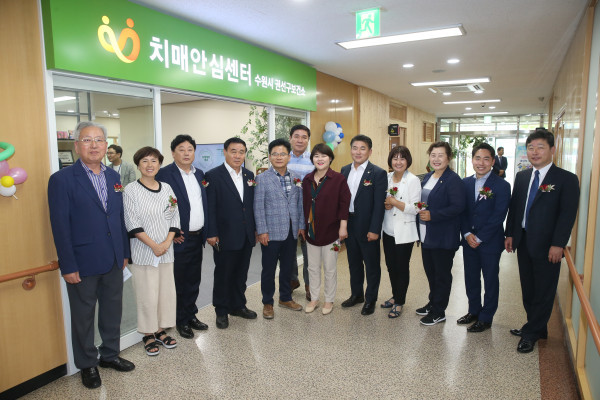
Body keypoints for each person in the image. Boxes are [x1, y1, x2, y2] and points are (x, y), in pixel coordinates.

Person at [48, 121, 134, 389]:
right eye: (87, 140)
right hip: (82, 261)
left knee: (112, 310)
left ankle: (110, 355)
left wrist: (124, 252)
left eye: (99, 140)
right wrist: (67, 265)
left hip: (114, 258)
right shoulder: (61, 180)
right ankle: (87, 364)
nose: (94, 145)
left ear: (106, 146)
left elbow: (119, 218)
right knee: (83, 316)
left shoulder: (113, 178)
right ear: (76, 146)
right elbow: (60, 226)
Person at [505, 128, 579, 353]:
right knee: (528, 288)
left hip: (548, 245)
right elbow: (515, 208)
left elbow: (567, 215)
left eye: (540, 147)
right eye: (531, 148)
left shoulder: (566, 179)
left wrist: (558, 243)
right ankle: (537, 327)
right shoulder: (522, 176)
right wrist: (510, 233)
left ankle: (530, 333)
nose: (534, 152)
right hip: (523, 240)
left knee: (544, 290)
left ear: (552, 150)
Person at [124, 147, 180, 356]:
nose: (150, 165)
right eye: (145, 161)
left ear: (159, 164)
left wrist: (166, 242)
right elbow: (132, 222)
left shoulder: (167, 188)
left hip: (166, 251)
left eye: (154, 161)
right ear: (138, 165)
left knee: (166, 293)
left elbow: (175, 216)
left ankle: (160, 329)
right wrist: (154, 245)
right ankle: (148, 333)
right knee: (146, 294)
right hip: (144, 252)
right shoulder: (131, 190)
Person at [156, 135, 209, 339]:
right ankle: (180, 320)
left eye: (190, 149)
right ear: (173, 153)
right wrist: (172, 231)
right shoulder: (164, 174)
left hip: (197, 237)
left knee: (194, 279)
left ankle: (191, 315)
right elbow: (159, 206)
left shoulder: (199, 174)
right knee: (178, 281)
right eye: (181, 149)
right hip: (178, 238)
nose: (186, 153)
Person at [458, 143, 510, 332]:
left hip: (490, 242)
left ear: (493, 161)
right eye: (477, 158)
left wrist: (479, 237)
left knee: (490, 280)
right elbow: (461, 211)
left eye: (486, 159)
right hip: (468, 240)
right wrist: (466, 233)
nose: (481, 163)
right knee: (471, 277)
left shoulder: (502, 185)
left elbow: (499, 215)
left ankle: (486, 317)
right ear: (472, 160)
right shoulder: (464, 183)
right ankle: (473, 310)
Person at [206, 137, 257, 329]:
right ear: (225, 152)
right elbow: (210, 207)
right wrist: (212, 232)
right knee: (224, 274)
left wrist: (254, 229)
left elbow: (250, 206)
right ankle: (221, 310)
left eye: (241, 152)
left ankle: (238, 305)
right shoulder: (213, 175)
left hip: (246, 234)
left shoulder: (249, 175)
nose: (237, 155)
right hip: (224, 235)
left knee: (241, 273)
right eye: (233, 151)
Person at [254, 139, 305, 318]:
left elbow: (299, 204)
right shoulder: (261, 179)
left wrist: (301, 225)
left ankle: (285, 297)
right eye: (275, 154)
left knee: (287, 268)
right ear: (269, 157)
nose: (279, 157)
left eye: (283, 154)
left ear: (289, 157)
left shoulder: (296, 177)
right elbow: (258, 207)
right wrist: (262, 230)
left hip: (291, 231)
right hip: (271, 232)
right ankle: (267, 303)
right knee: (268, 270)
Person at [416, 141, 466, 326]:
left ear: (448, 158)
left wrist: (434, 215)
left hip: (443, 236)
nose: (436, 159)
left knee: (442, 275)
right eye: (433, 155)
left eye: (440, 155)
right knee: (431, 273)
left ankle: (439, 311)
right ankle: (433, 302)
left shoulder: (453, 180)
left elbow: (458, 206)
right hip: (426, 234)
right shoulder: (429, 176)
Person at [340, 135, 387, 315]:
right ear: (351, 150)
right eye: (355, 148)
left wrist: (375, 229)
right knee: (353, 263)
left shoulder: (378, 173)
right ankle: (356, 295)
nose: (358, 152)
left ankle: (370, 299)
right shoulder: (344, 170)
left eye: (362, 148)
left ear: (370, 151)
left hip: (368, 227)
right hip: (349, 223)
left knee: (371, 265)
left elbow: (379, 205)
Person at [302, 143, 350, 314]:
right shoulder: (307, 179)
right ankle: (314, 298)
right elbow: (304, 205)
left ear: (330, 158)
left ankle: (329, 300)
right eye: (316, 156)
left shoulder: (338, 179)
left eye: (323, 156)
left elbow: (344, 204)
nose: (320, 159)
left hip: (332, 233)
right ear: (312, 159)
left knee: (330, 269)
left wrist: (343, 227)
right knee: (312, 268)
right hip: (312, 232)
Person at [381, 146, 421, 318]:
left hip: (404, 232)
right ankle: (395, 295)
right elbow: (384, 200)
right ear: (390, 161)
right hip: (388, 230)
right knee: (391, 266)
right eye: (395, 158)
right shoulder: (387, 177)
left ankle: (399, 301)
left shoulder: (412, 180)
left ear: (407, 161)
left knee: (402, 267)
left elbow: (416, 208)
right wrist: (386, 204)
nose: (398, 162)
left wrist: (395, 203)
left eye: (402, 158)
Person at [287, 124, 313, 300]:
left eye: (304, 137)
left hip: (308, 211)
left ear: (308, 140)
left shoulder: (314, 159)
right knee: (288, 250)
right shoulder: (282, 158)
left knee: (309, 251)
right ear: (290, 138)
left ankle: (309, 286)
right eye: (296, 136)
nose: (300, 140)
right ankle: (292, 280)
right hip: (287, 212)